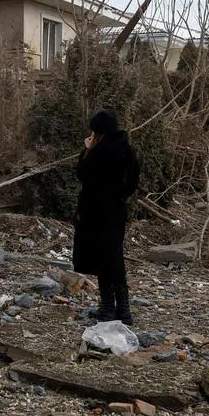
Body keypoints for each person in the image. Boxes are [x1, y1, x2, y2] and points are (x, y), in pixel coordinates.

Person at [73, 110, 140, 325]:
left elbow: (83, 174)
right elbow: (133, 180)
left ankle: (108, 309)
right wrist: (120, 196)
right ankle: (123, 309)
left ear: (99, 132)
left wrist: (87, 150)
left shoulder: (99, 151)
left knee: (103, 260)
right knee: (115, 257)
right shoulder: (126, 150)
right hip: (116, 212)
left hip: (96, 213)